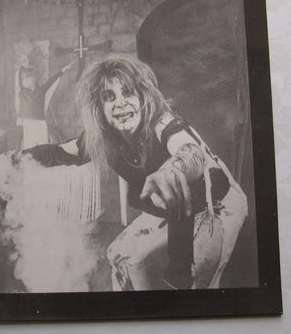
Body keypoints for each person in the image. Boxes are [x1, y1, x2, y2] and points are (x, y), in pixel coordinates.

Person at [22, 56, 248, 290]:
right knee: (122, 256)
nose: (120, 104)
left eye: (128, 93)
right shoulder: (103, 138)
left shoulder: (163, 122)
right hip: (171, 208)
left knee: (197, 276)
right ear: (99, 108)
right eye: (109, 97)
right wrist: (15, 159)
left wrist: (173, 170)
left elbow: (189, 149)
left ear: (143, 97)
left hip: (215, 204)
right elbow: (61, 151)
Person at [15, 59, 76, 148]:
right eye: (23, 80)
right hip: (28, 123)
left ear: (33, 79)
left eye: (27, 79)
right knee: (29, 146)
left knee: (43, 145)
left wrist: (63, 70)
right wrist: (22, 66)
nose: (24, 81)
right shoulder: (22, 92)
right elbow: (17, 78)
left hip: (40, 123)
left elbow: (52, 80)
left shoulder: (41, 90)